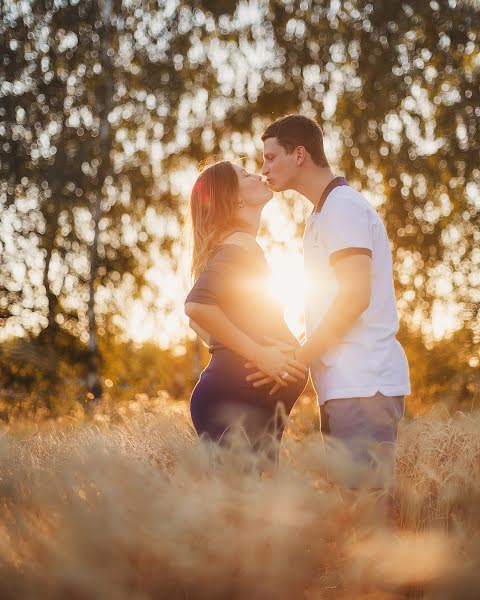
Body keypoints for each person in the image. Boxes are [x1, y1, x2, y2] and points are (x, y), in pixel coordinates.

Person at [246, 114, 411, 489]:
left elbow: (355, 297)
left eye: (271, 157)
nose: (264, 168)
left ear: (299, 154)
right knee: (353, 517)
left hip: (364, 386)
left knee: (366, 514)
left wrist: (297, 359)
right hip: (343, 387)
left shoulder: (343, 208)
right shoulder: (321, 215)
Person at [184, 160, 308, 457]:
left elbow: (200, 326)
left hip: (241, 400)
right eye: (246, 174)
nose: (260, 174)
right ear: (235, 198)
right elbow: (196, 307)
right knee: (239, 498)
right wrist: (258, 354)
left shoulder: (238, 246)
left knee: (247, 498)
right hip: (235, 401)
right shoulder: (239, 243)